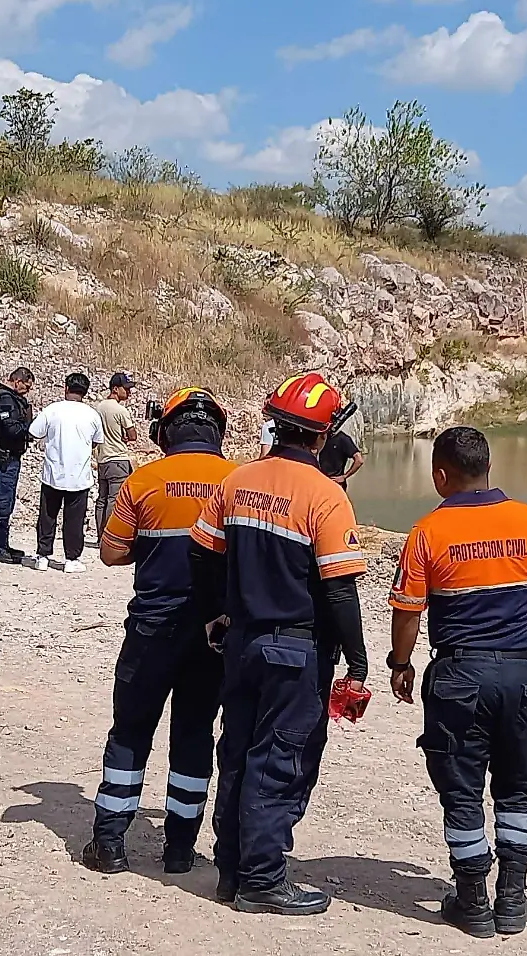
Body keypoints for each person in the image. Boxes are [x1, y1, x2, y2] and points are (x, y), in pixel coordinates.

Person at [190, 372, 370, 915]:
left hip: (242, 643)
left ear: (275, 422)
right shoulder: (327, 496)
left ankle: (231, 871)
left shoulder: (237, 481)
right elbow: (339, 590)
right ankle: (264, 881)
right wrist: (358, 661)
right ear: (324, 436)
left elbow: (202, 555)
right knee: (281, 763)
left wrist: (217, 613)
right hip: (296, 651)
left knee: (239, 754)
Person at [386, 425, 527, 938]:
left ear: (441, 474)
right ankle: (511, 898)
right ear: (488, 468)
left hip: (458, 675)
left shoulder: (428, 532)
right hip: (519, 671)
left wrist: (400, 663)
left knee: (462, 788)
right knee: (518, 784)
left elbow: (407, 611)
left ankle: (471, 901)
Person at [83, 389, 236, 876]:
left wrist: (151, 551)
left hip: (152, 628)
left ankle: (109, 844)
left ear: (164, 432)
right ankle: (179, 850)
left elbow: (110, 553)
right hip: (214, 636)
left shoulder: (143, 480)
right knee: (193, 735)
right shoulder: (240, 482)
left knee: (130, 731)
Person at [29, 372, 104, 573]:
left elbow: (34, 432)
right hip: (79, 476)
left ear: (66, 388)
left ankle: (43, 556)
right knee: (75, 520)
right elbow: (97, 441)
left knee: (47, 516)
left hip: (53, 473)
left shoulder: (53, 410)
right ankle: (72, 559)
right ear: (85, 392)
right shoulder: (92, 415)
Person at [0, 367, 35, 563]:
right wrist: (31, 428)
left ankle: (2, 543)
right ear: (17, 381)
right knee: (2, 504)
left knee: (7, 503)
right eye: (26, 386)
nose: (27, 390)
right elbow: (11, 429)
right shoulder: (4, 400)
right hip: (2, 460)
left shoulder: (6, 398)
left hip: (7, 459)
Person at [93, 372, 139, 548]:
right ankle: (109, 538)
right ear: (115, 389)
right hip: (118, 459)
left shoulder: (98, 408)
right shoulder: (121, 410)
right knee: (114, 500)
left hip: (102, 459)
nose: (129, 393)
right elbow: (132, 435)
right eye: (126, 389)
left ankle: (99, 536)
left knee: (101, 499)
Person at [317, 416, 365, 489]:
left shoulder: (342, 439)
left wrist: (344, 476)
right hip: (322, 481)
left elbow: (359, 460)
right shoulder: (320, 438)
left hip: (335, 482)